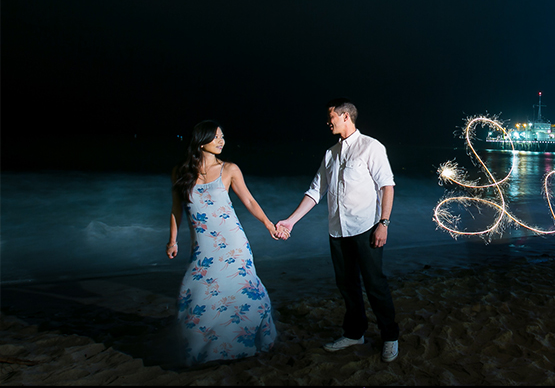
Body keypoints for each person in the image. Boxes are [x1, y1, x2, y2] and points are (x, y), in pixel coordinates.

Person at [275, 98, 399, 362]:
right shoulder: (330, 153)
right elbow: (315, 191)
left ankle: (390, 336)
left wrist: (384, 223)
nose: (327, 121)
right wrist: (291, 221)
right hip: (337, 230)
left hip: (366, 228)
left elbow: (387, 186)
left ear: (345, 116)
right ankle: (355, 333)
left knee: (375, 284)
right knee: (347, 285)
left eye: (331, 116)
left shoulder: (371, 147)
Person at [166, 120, 283, 366]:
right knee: (195, 293)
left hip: (233, 242)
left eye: (222, 137)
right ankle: (204, 349)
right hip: (203, 246)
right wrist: (172, 241)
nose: (222, 141)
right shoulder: (180, 171)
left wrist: (268, 224)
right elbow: (176, 209)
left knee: (243, 291)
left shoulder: (229, 169)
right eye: (216, 137)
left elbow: (249, 201)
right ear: (201, 140)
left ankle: (247, 343)